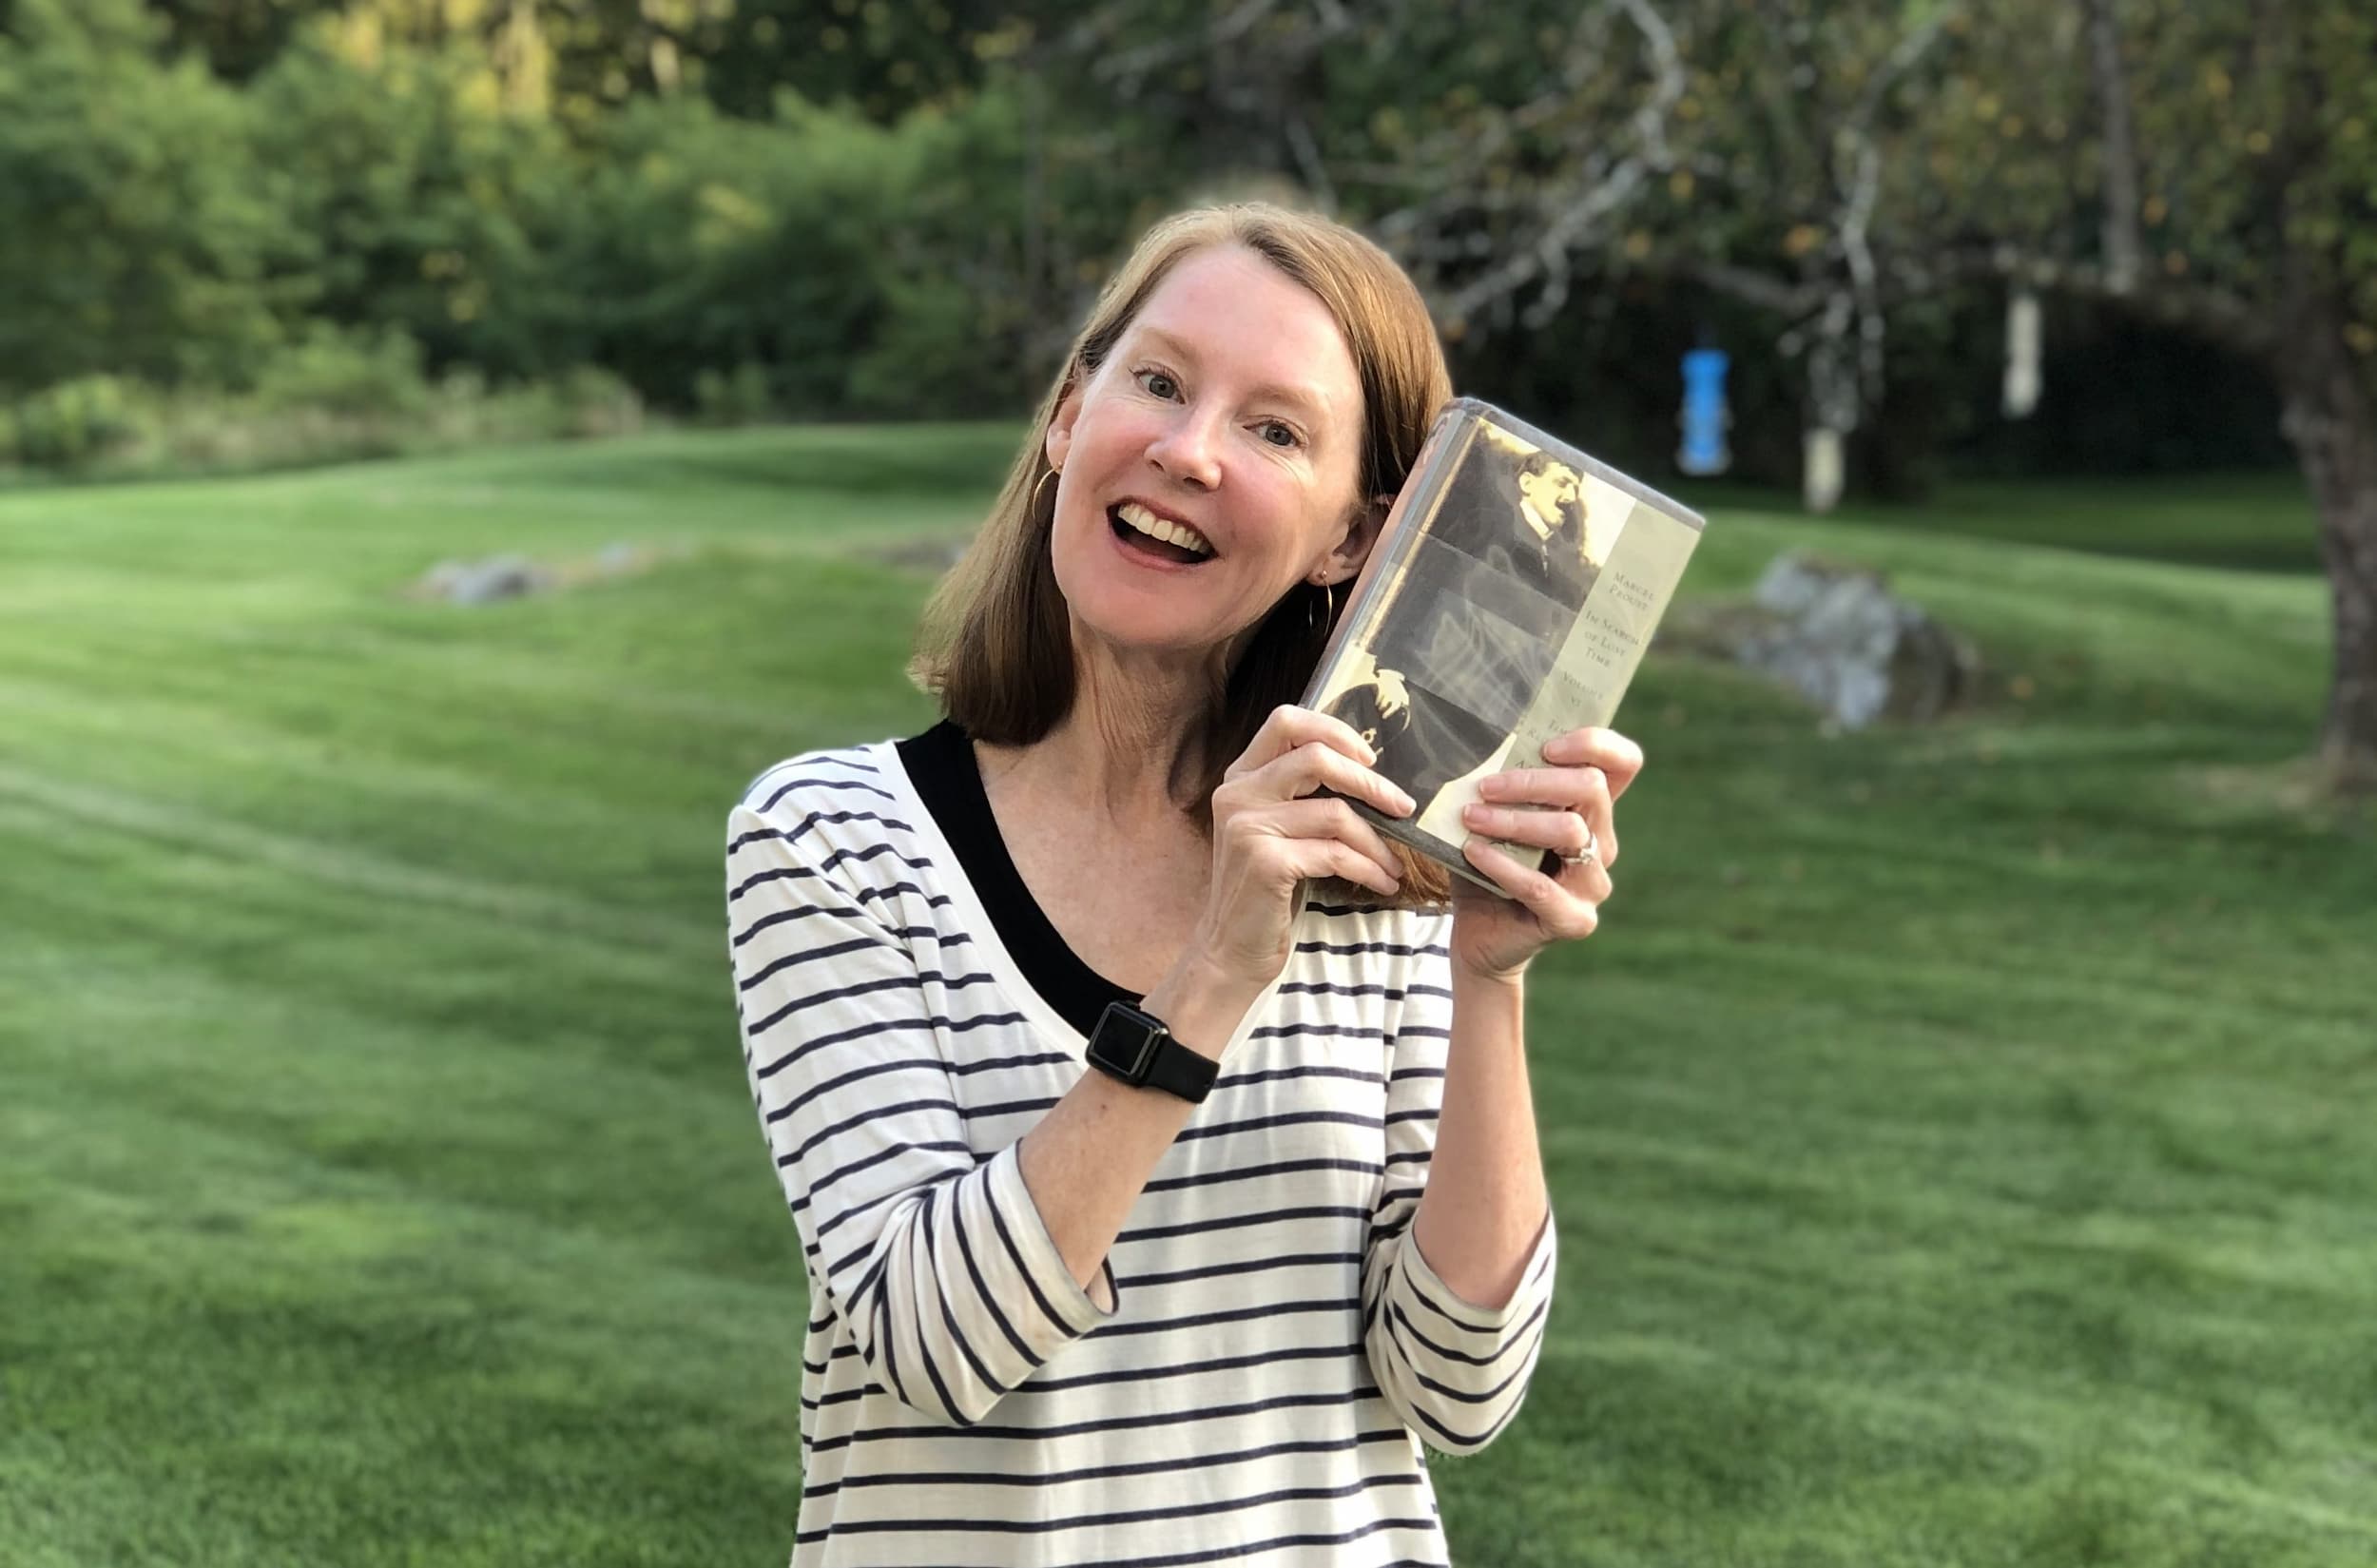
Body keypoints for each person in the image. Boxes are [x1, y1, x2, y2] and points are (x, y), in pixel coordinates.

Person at [724, 202, 1644, 1568]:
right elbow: (931, 1342)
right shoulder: (836, 839)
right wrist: (1216, 970)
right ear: (1066, 417)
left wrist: (1487, 975)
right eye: (1156, 381)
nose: (1187, 449)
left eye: (1276, 429)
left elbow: (1458, 1388)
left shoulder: (1384, 875)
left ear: (1356, 541)